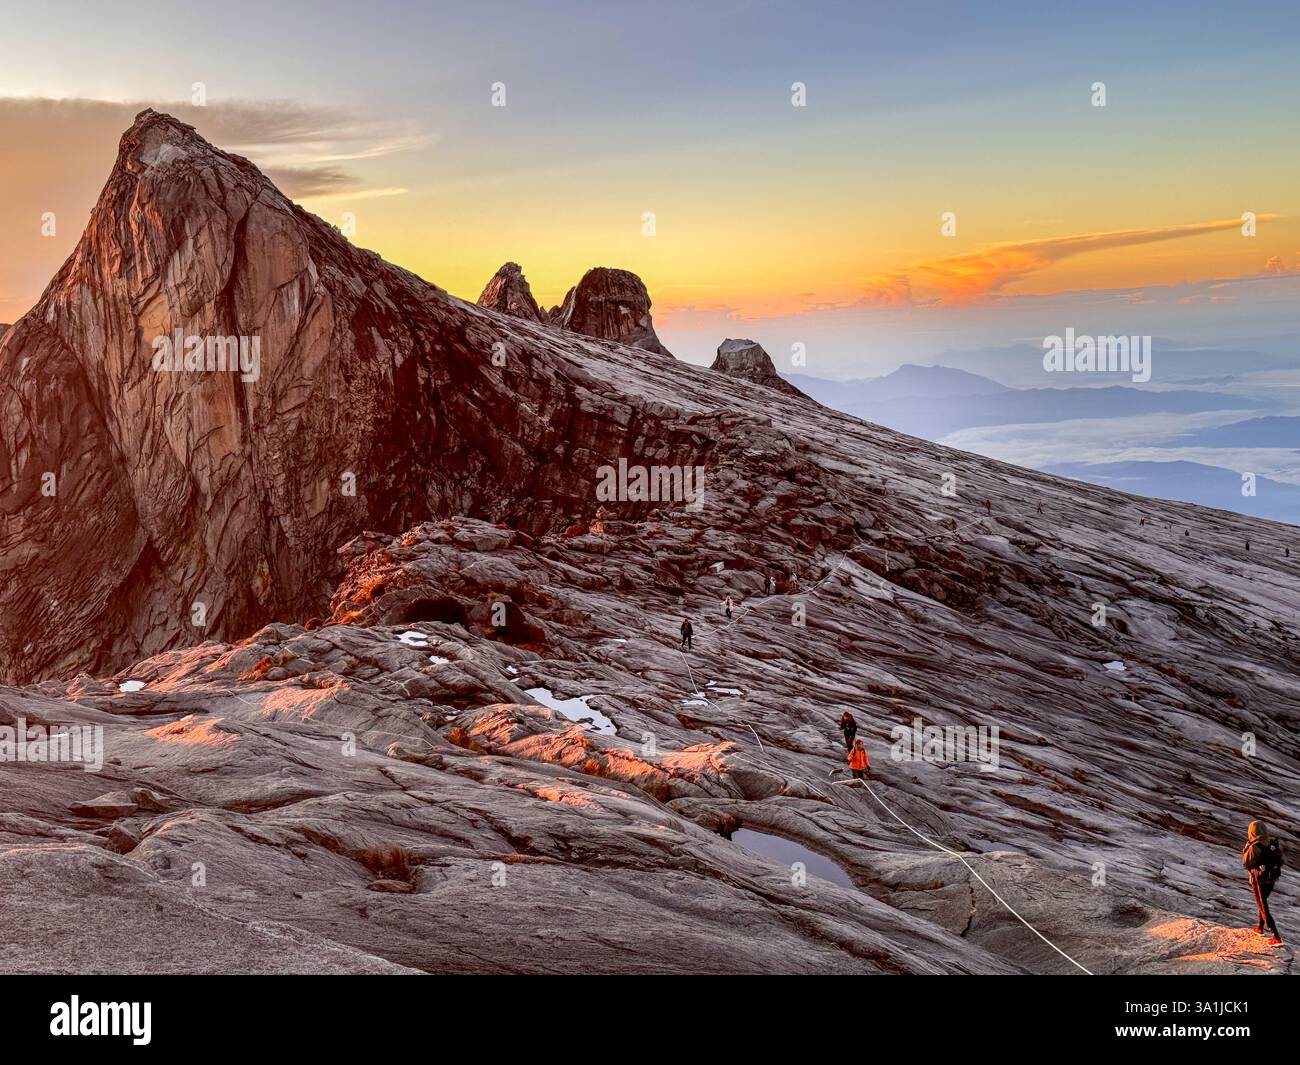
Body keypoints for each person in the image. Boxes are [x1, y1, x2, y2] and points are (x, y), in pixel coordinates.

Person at [1242, 819, 1283, 945]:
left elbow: (1246, 863)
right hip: (1271, 878)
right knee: (1263, 902)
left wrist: (1247, 847)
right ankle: (1259, 928)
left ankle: (1276, 936)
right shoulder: (1272, 843)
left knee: (1262, 905)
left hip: (1258, 880)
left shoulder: (1254, 846)